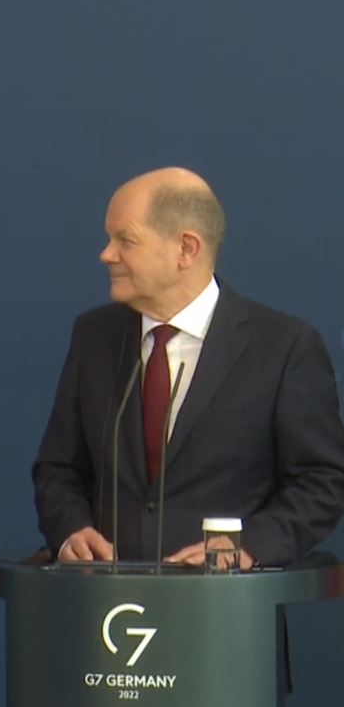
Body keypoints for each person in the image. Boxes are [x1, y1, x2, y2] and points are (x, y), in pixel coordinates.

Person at [32, 167, 344, 568]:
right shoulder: (95, 336)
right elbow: (58, 468)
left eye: (125, 240)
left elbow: (322, 481)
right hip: (108, 597)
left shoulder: (283, 347)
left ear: (186, 249)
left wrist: (250, 548)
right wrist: (70, 530)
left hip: (225, 600)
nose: (106, 254)